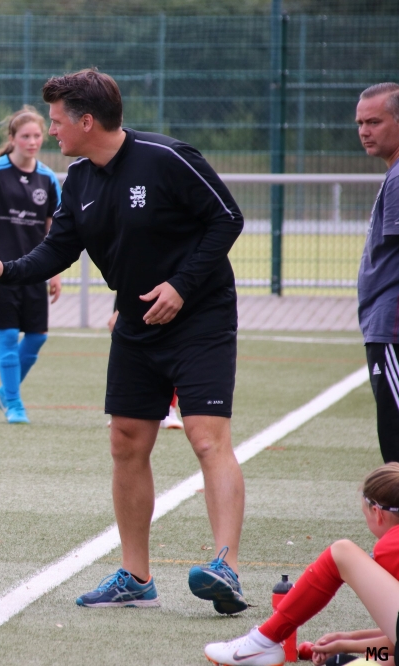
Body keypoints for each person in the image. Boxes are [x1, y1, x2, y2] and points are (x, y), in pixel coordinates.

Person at [0, 68, 247, 614]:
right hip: (135, 326)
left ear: (86, 121)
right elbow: (57, 250)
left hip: (201, 319)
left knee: (207, 439)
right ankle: (136, 578)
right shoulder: (79, 180)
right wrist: (1, 269)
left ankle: (225, 567)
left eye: (57, 121)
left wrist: (182, 287)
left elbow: (227, 219)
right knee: (125, 442)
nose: (51, 132)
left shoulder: (167, 157)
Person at [204, 463, 399, 666]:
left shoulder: (389, 546)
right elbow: (394, 642)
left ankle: (263, 641)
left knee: (342, 552)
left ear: (377, 513)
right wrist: (346, 641)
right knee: (361, 661)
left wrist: (347, 644)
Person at [0, 105, 62, 424]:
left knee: (37, 336)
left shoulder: (48, 178)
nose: (32, 141)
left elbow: (53, 228)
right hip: (1, 268)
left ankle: (3, 393)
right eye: (25, 136)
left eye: (37, 135)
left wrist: (54, 271)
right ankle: (13, 403)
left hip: (34, 269)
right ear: (12, 138)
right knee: (8, 335)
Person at [355, 83, 399, 464]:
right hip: (384, 325)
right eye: (360, 123)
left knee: (395, 444)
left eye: (374, 122)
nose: (364, 131)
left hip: (393, 326)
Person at [107, 309, 183, 430]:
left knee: (173, 348)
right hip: (135, 308)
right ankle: (126, 409)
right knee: (130, 348)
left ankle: (169, 409)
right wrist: (120, 310)